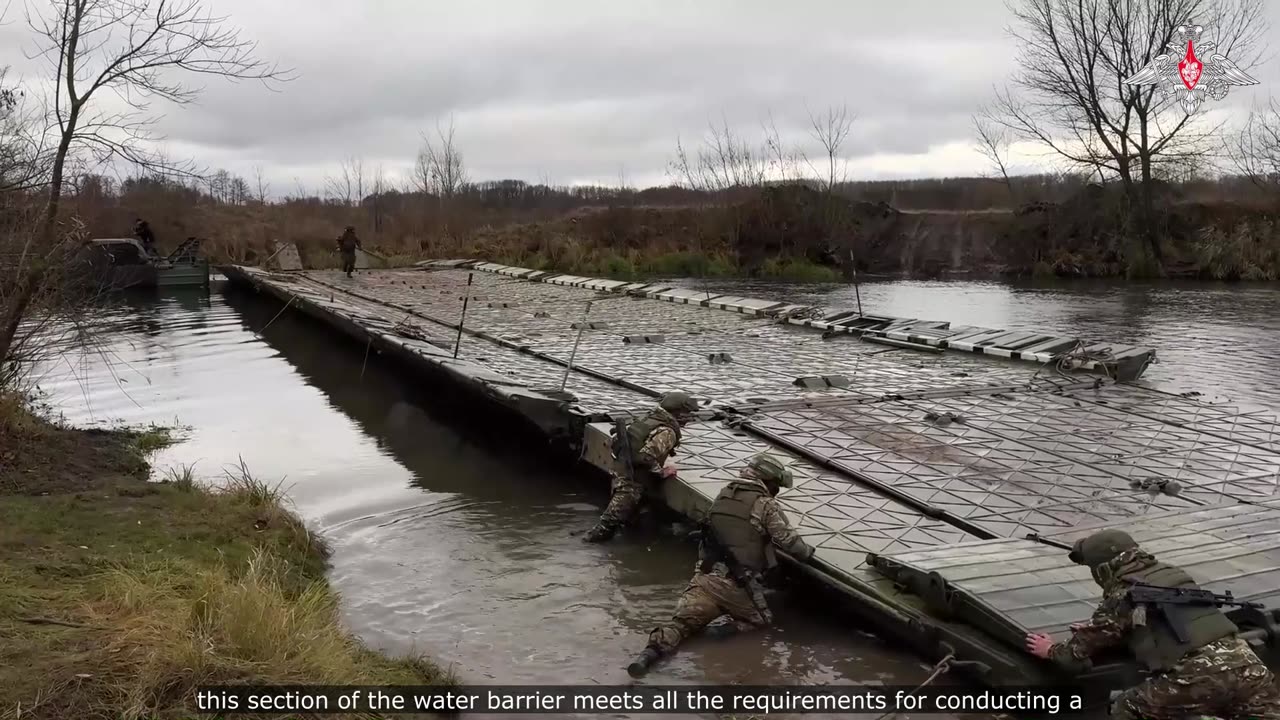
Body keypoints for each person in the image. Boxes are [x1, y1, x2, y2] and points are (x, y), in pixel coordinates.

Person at [1025, 529, 1280, 720]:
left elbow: (1073, 655)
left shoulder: (1124, 592)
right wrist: (1108, 627)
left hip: (1198, 677)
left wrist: (1050, 650)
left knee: (1125, 708)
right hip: (1249, 667)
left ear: (1102, 568)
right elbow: (1167, 619)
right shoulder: (1172, 574)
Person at [627, 453, 814, 677]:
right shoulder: (764, 504)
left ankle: (649, 655)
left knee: (680, 625)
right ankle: (713, 635)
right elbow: (790, 542)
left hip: (704, 578)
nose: (777, 490)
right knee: (760, 622)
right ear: (769, 481)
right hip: (737, 585)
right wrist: (806, 552)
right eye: (777, 485)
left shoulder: (724, 495)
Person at [582, 391, 700, 543]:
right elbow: (646, 457)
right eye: (687, 413)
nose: (689, 418)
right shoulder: (667, 431)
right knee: (607, 525)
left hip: (622, 469)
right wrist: (662, 471)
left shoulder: (648, 418)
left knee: (631, 517)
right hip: (634, 479)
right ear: (678, 411)